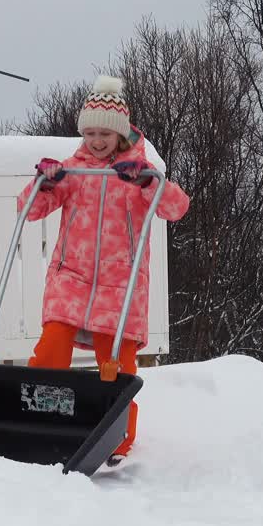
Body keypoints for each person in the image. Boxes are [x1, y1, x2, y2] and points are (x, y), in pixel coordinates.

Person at [16, 75, 191, 461]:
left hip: (120, 286)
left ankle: (118, 438)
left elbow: (176, 207)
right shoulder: (73, 170)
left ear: (120, 133)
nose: (97, 141)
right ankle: (38, 421)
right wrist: (44, 183)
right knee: (51, 349)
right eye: (90, 132)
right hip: (72, 278)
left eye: (105, 134)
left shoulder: (138, 170)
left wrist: (147, 182)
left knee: (116, 366)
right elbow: (28, 210)